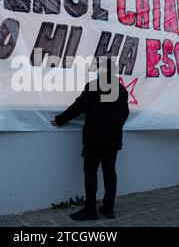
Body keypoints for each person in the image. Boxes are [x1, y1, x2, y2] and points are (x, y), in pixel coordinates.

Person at [51, 58, 130, 221]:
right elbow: (125, 114)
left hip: (94, 138)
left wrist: (60, 119)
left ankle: (90, 209)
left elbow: (78, 106)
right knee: (110, 172)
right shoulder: (122, 90)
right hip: (113, 138)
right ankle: (109, 209)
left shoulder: (93, 86)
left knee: (91, 171)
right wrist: (115, 127)